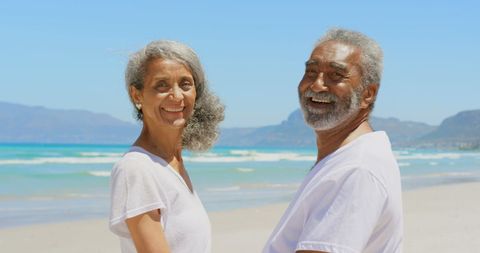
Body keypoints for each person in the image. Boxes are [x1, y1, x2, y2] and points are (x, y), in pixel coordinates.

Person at [263, 28, 403, 253]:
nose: (317, 85)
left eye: (336, 75)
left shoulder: (356, 169)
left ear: (368, 94)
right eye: (311, 72)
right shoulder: (345, 158)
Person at [109, 40, 224, 253]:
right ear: (137, 95)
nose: (177, 95)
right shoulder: (137, 169)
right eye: (161, 85)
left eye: (185, 84)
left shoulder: (171, 164)